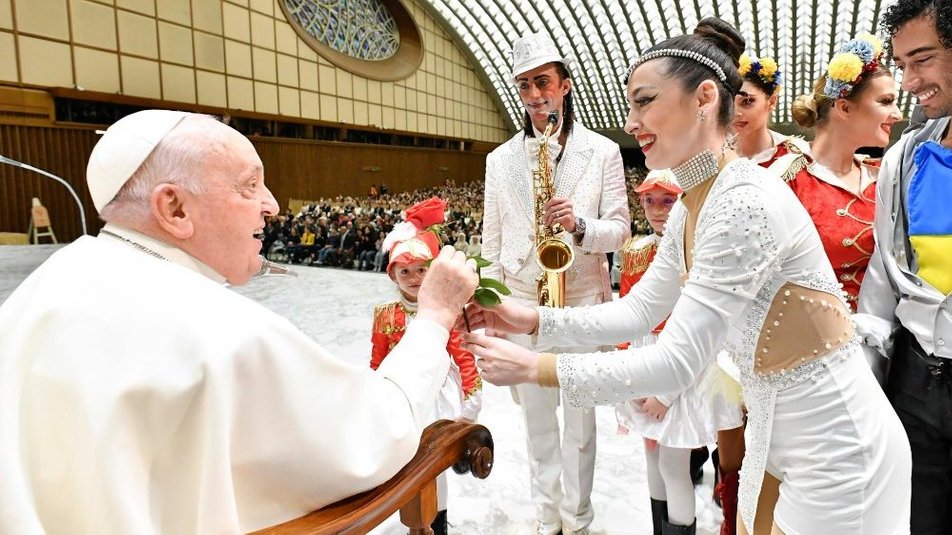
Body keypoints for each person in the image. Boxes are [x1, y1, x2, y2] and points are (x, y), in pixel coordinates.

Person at [464, 17, 911, 535]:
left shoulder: (743, 200)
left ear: (703, 98)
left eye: (644, 101)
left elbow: (676, 363)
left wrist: (534, 368)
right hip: (776, 438)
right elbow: (639, 311)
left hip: (839, 448)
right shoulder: (694, 200)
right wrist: (528, 316)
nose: (631, 122)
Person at [0, 110, 479, 534]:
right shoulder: (219, 331)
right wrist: (436, 314)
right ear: (175, 208)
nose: (271, 204)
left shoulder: (43, 289)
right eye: (250, 186)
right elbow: (379, 431)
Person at [481, 31, 630, 535]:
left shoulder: (605, 152)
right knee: (537, 424)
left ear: (565, 85)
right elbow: (489, 242)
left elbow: (621, 229)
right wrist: (489, 314)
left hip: (581, 302)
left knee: (582, 428)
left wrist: (581, 225)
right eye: (524, 85)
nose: (534, 94)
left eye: (542, 81)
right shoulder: (498, 160)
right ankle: (548, 517)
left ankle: (579, 517)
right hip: (521, 302)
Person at [859, 1, 952, 532]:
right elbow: (884, 272)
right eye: (903, 63)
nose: (911, 81)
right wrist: (869, 384)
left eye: (923, 59)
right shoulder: (906, 157)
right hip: (915, 381)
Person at [614, 170, 742, 534]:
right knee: (653, 458)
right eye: (649, 201)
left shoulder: (700, 249)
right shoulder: (635, 251)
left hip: (684, 364)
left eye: (667, 201)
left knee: (673, 464)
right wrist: (628, 372)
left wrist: (666, 393)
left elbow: (699, 327)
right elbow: (629, 310)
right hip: (645, 356)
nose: (657, 210)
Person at [370, 197, 483, 535]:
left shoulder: (446, 307)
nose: (414, 278)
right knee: (406, 463)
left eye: (421, 270)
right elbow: (377, 359)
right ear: (393, 275)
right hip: (400, 393)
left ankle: (438, 523)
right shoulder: (384, 314)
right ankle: (414, 524)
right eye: (404, 271)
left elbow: (462, 353)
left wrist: (472, 396)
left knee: (433, 464)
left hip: (436, 395)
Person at [787, 33, 902, 310]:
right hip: (810, 340)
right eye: (886, 101)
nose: (898, 114)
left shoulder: (885, 177)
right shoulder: (785, 180)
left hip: (885, 340)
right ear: (844, 107)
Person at [732, 54, 811, 165]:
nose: (735, 113)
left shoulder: (797, 155)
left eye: (747, 101)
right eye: (729, 103)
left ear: (772, 101)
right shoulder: (715, 157)